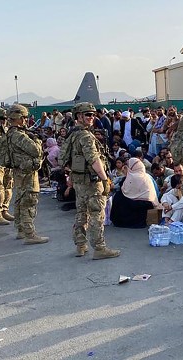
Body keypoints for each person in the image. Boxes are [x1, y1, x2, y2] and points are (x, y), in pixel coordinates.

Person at [61, 102, 119, 259]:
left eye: (93, 114)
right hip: (91, 182)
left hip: (79, 180)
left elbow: (67, 159)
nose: (92, 117)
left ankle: (81, 245)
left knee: (81, 213)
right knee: (96, 214)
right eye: (88, 114)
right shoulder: (86, 136)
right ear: (79, 116)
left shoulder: (73, 134)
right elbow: (94, 159)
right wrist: (105, 179)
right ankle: (99, 248)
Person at [6, 104, 49, 245]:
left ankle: (21, 230)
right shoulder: (18, 135)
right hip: (27, 172)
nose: (25, 120)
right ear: (17, 118)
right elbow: (35, 150)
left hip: (20, 171)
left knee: (20, 200)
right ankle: (29, 234)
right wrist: (36, 140)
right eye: (24, 117)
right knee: (29, 201)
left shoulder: (11, 133)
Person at [110, 158, 158, 228]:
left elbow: (124, 190)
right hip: (148, 203)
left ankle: (120, 221)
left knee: (118, 196)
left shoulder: (133, 177)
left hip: (140, 203)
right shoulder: (147, 176)